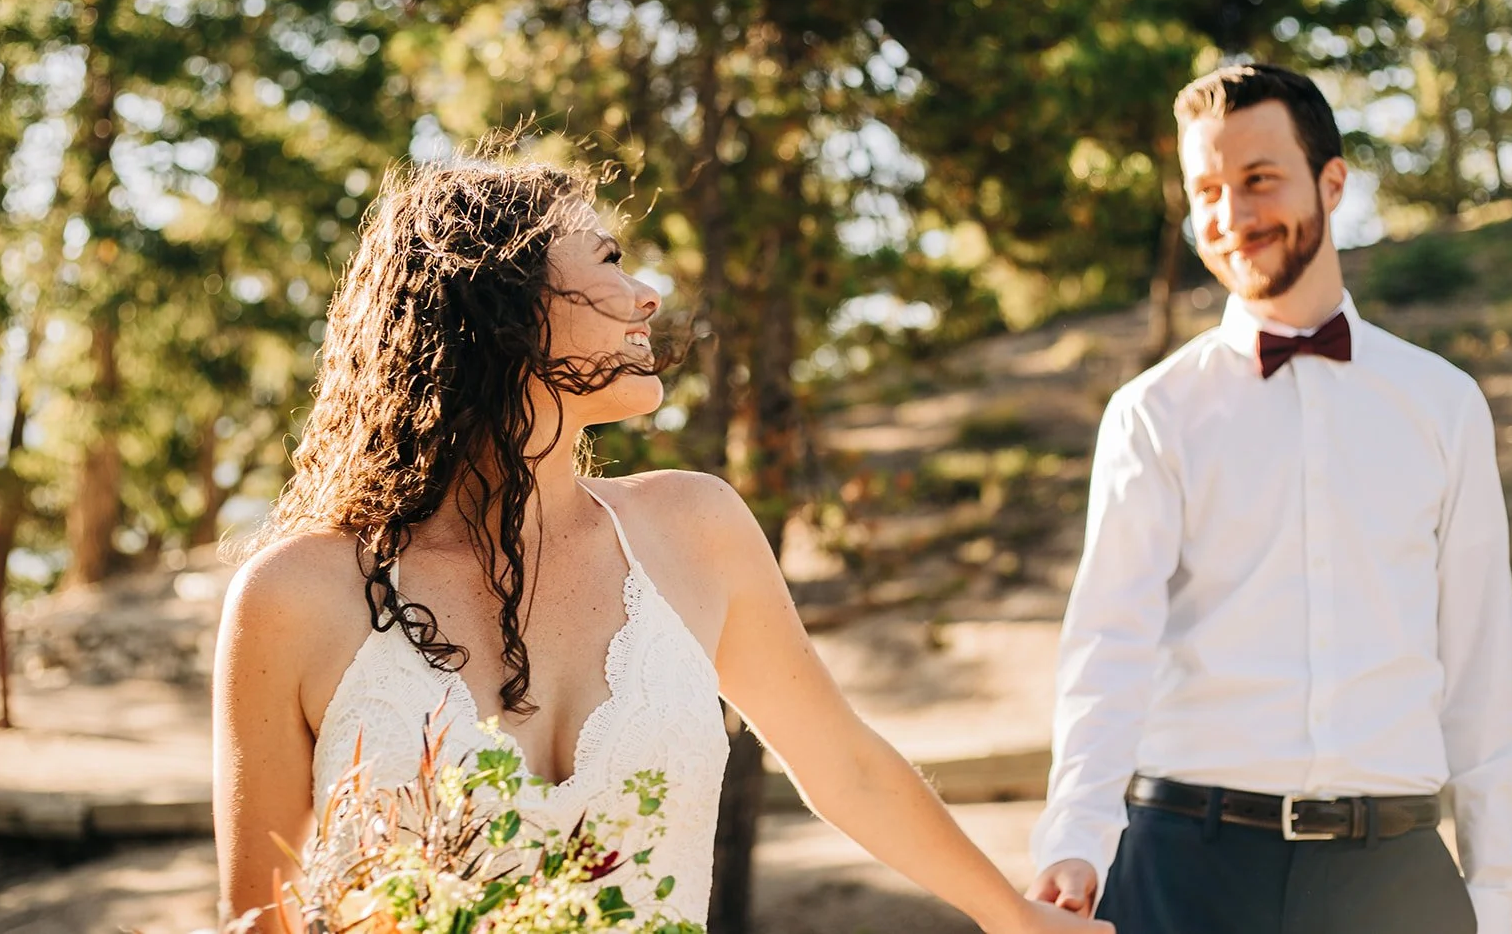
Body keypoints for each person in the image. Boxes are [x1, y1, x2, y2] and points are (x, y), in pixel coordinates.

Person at [213, 146, 1111, 934]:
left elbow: (845, 764)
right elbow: (263, 917)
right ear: (504, 307)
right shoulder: (298, 595)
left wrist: (1012, 916)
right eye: (608, 260)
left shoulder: (695, 527)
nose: (648, 294)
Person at [1025, 63, 1512, 933]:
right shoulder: (1152, 415)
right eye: (1206, 189)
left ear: (1333, 181)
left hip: (1395, 877)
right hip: (1186, 869)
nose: (1232, 217)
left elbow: (1483, 668)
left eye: (1258, 180)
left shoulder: (1442, 404)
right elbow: (1109, 646)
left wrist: (1500, 892)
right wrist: (1075, 838)